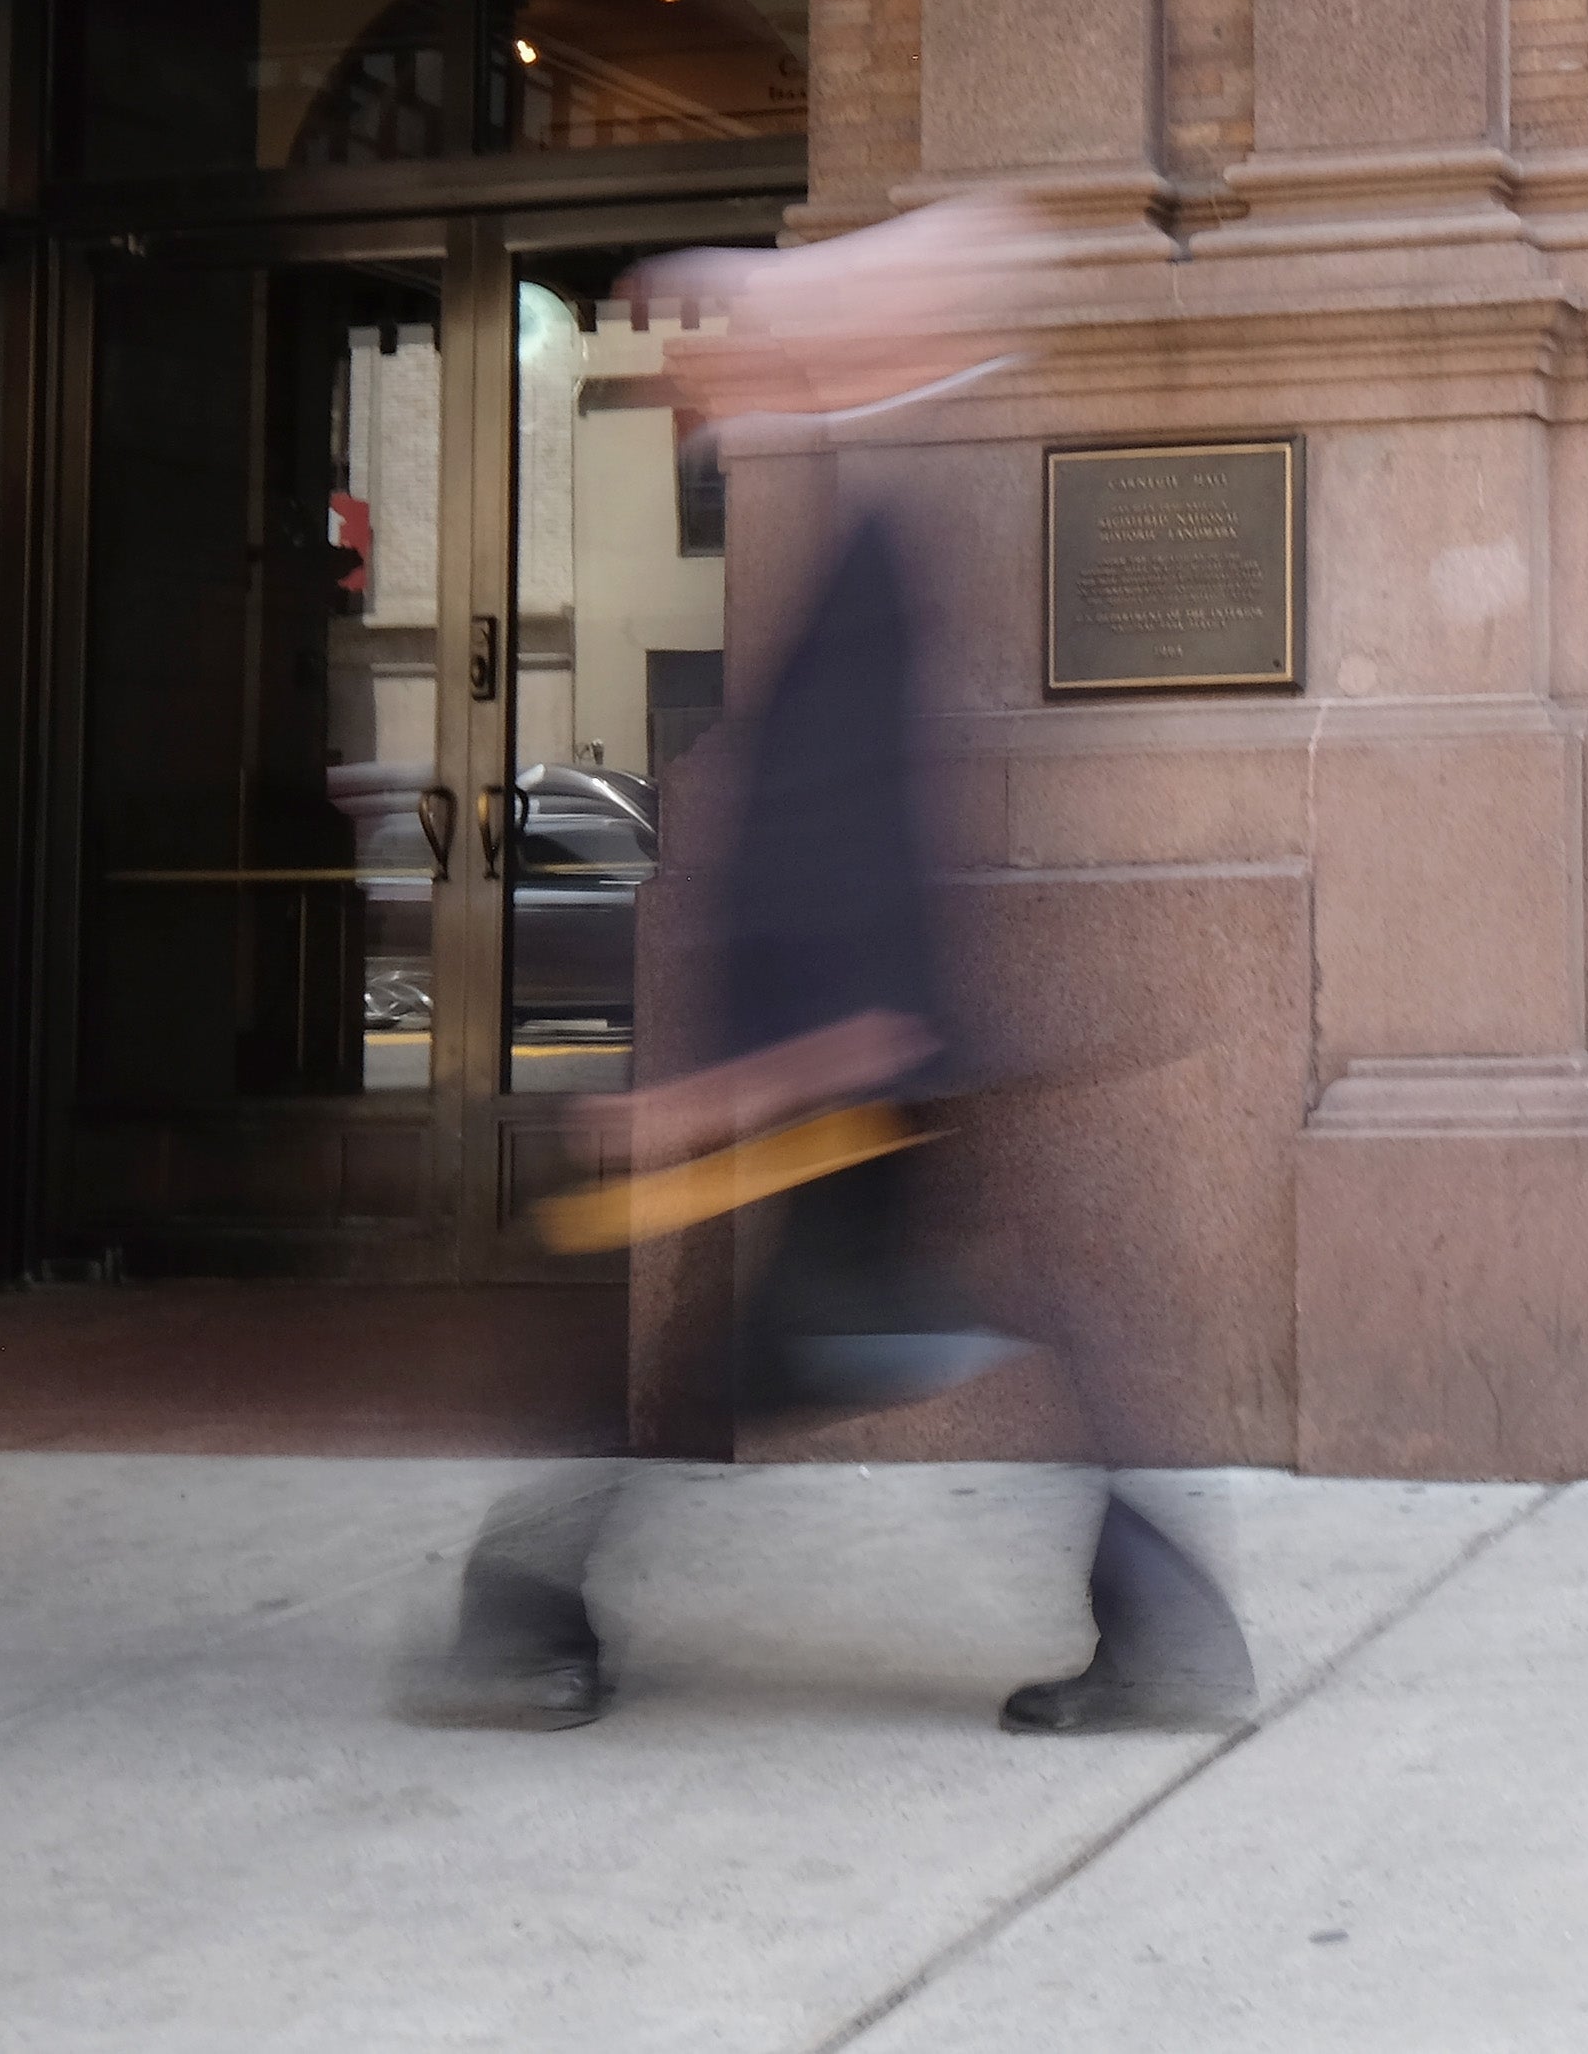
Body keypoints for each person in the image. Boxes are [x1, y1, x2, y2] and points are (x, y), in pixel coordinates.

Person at [420, 194, 1257, 1737]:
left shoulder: (873, 531)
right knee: (782, 1350)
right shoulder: (874, 509)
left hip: (841, 1076)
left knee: (749, 1360)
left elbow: (846, 843)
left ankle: (524, 1618)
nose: (690, 392)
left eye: (707, 358)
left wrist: (727, 1085)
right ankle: (1161, 1625)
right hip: (854, 1068)